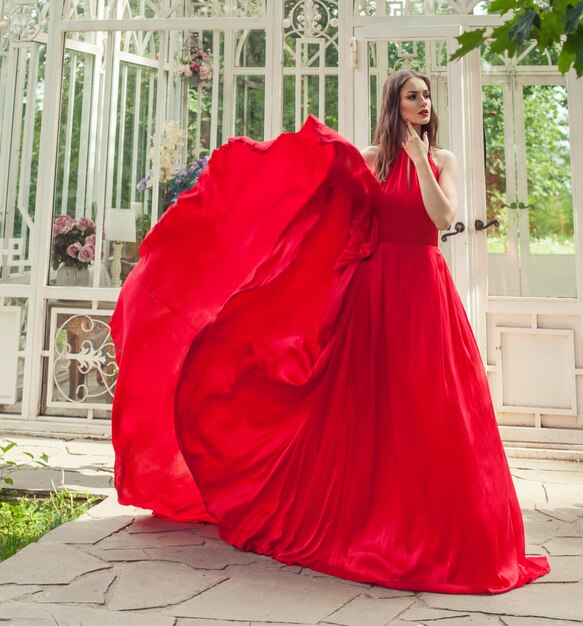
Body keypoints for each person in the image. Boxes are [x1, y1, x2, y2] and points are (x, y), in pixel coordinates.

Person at [110, 69, 551, 595]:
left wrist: (419, 162)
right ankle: (374, 521)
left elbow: (441, 216)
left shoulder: (442, 160)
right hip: (373, 295)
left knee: (435, 405)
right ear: (393, 105)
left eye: (427, 95)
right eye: (413, 95)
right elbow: (316, 211)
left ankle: (441, 529)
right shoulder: (367, 162)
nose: (424, 102)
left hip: (425, 292)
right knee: (372, 410)